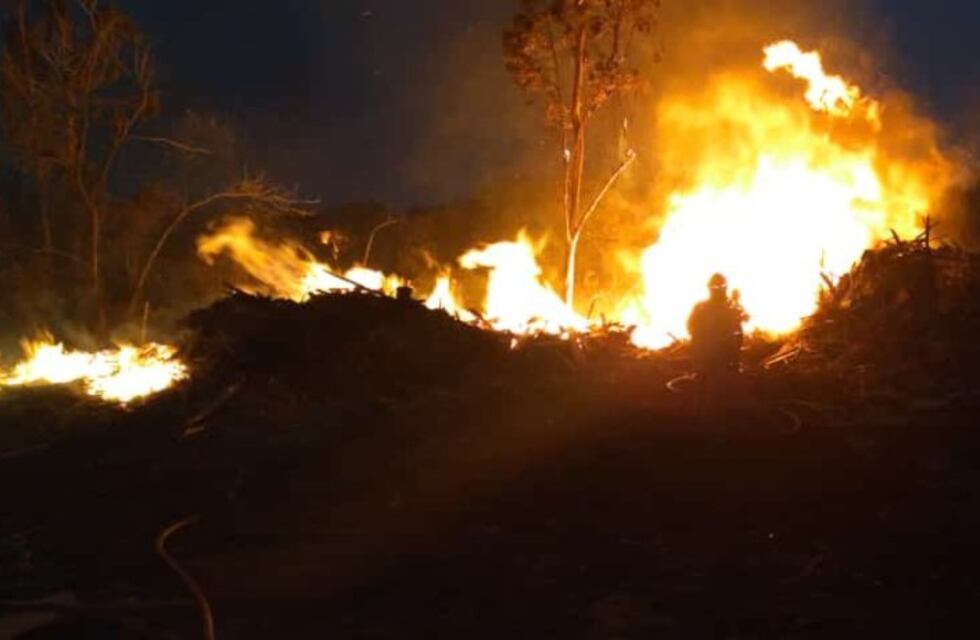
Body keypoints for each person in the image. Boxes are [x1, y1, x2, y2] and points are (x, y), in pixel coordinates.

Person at [687, 273, 747, 379]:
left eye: (722, 286)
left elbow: (741, 322)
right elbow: (691, 328)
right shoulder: (701, 307)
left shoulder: (732, 305)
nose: (718, 289)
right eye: (715, 287)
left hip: (729, 360)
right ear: (709, 288)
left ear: (726, 287)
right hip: (707, 360)